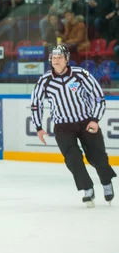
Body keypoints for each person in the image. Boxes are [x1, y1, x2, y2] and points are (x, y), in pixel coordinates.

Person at [30, 45, 115, 207]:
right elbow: (36, 104)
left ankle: (106, 182)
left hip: (86, 122)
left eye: (60, 57)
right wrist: (38, 127)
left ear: (67, 59)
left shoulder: (81, 75)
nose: (56, 60)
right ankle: (87, 189)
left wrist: (95, 119)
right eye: (54, 58)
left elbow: (98, 97)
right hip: (63, 127)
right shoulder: (45, 80)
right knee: (73, 159)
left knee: (97, 157)